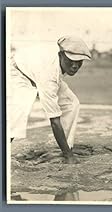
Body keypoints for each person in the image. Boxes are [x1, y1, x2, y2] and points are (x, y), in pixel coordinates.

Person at [8, 36, 91, 164]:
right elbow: (54, 120)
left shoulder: (55, 65)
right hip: (16, 71)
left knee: (71, 103)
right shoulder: (49, 77)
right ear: (61, 55)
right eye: (70, 60)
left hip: (34, 71)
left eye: (79, 61)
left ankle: (65, 148)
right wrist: (70, 158)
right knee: (17, 115)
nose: (75, 66)